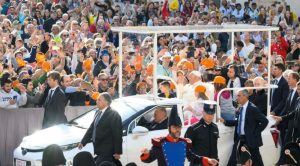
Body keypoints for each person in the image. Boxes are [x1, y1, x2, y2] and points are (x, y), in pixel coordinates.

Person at [140, 106, 219, 166]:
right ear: (169, 128)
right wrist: (147, 153)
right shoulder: (160, 143)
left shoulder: (184, 143)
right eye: (174, 127)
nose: (177, 130)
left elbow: (193, 158)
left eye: (179, 127)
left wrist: (207, 160)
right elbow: (149, 159)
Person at [220, 89, 268, 166]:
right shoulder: (241, 108)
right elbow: (239, 122)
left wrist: (255, 132)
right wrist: (225, 121)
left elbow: (265, 121)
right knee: (233, 157)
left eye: (239, 96)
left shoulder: (252, 108)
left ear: (245, 96)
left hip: (251, 139)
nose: (237, 98)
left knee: (257, 160)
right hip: (241, 138)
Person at [78, 92, 122, 165]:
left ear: (106, 102)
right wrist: (83, 142)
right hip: (98, 149)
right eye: (97, 99)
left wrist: (118, 151)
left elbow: (117, 134)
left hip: (107, 150)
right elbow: (92, 128)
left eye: (99, 100)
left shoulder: (114, 114)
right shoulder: (97, 112)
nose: (97, 101)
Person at [273, 81, 300, 165]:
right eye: (298, 89)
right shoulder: (298, 99)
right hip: (294, 129)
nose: (299, 91)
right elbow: (294, 112)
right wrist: (281, 118)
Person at [185, 100, 219, 166]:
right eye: (208, 113)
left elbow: (214, 147)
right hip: (199, 163)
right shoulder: (193, 129)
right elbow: (187, 149)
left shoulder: (215, 127)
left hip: (213, 162)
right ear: (203, 112)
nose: (210, 116)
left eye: (212, 114)